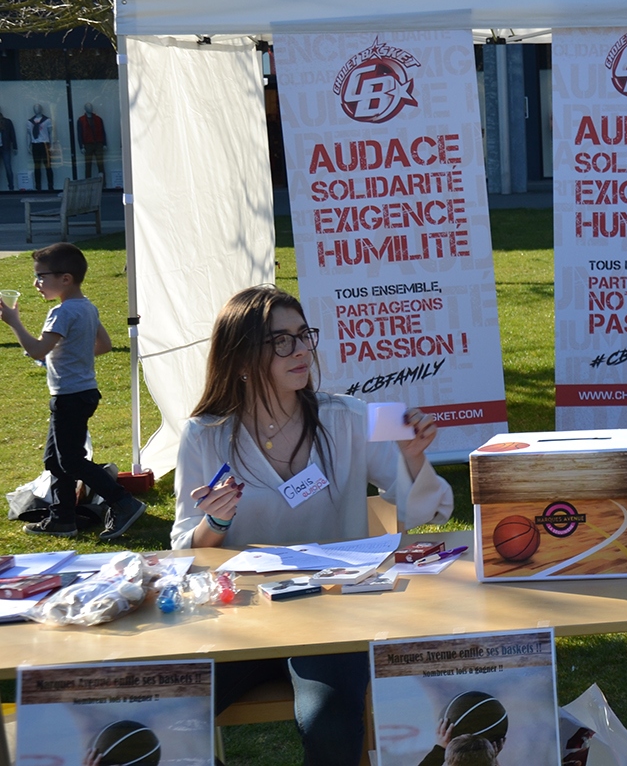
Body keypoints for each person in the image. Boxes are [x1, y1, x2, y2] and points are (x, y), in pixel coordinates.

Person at [171, 286, 454, 763]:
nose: (301, 350)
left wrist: (411, 460)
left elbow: (433, 510)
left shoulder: (353, 415)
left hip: (332, 616)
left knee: (331, 725)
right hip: (241, 620)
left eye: (304, 336)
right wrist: (216, 521)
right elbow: (186, 548)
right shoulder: (204, 434)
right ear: (240, 358)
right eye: (281, 341)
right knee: (170, 716)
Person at [0, 242, 142, 540]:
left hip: (69, 397)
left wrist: (15, 323)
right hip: (83, 393)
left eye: (41, 276)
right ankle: (63, 518)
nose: (36, 283)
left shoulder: (61, 312)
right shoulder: (87, 306)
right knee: (55, 461)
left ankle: (123, 502)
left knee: (71, 461)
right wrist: (68, 355)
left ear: (65, 278)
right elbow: (102, 346)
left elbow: (38, 349)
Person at [0, 110, 16, 190]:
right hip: (5, 147)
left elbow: (12, 134)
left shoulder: (7, 122)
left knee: (8, 167)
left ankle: (11, 187)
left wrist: (15, 146)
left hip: (5, 147)